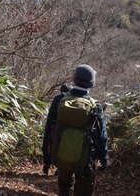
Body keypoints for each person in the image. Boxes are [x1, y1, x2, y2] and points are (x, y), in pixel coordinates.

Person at [42, 64, 108, 196]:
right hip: (86, 159)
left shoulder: (59, 100)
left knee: (64, 187)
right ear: (91, 83)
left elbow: (49, 129)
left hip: (62, 154)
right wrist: (103, 158)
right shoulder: (95, 106)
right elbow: (101, 136)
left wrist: (46, 158)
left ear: (74, 79)